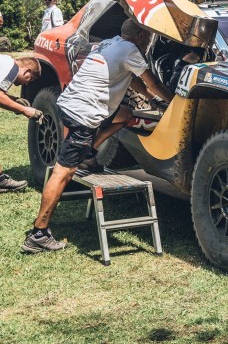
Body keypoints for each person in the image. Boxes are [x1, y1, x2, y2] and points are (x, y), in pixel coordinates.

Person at [22, 19, 174, 254]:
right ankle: (39, 233)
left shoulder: (110, 43)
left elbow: (133, 79)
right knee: (64, 172)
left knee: (124, 115)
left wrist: (152, 100)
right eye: (148, 37)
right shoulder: (131, 49)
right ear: (142, 37)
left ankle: (90, 152)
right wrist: (173, 102)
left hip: (69, 104)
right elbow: (151, 81)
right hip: (84, 115)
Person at [0, 56, 42, 191]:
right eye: (30, 79)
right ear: (27, 71)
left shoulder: (5, 61)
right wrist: (24, 110)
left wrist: (14, 100)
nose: (27, 84)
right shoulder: (12, 68)